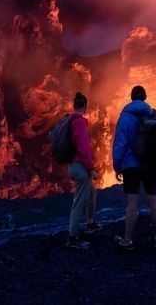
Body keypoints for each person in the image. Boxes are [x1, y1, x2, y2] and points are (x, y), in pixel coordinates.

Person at [111, 85, 156, 250]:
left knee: (132, 202)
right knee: (153, 200)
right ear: (145, 98)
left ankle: (128, 240)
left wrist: (117, 165)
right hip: (150, 164)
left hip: (131, 165)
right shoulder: (154, 115)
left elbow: (120, 143)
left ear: (131, 98)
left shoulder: (126, 117)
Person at [65, 92, 102, 249]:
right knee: (79, 202)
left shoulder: (70, 120)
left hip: (73, 165)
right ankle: (72, 238)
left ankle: (90, 223)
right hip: (80, 167)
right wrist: (91, 168)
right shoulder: (79, 123)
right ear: (85, 106)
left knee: (91, 192)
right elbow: (84, 149)